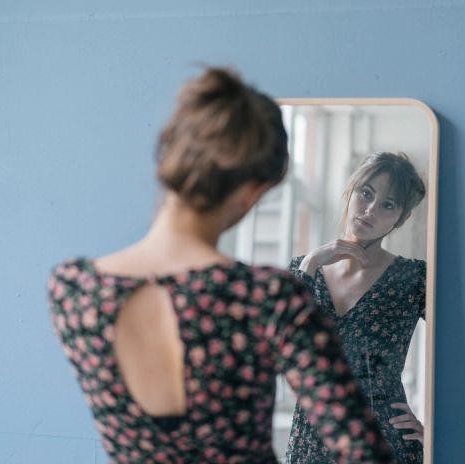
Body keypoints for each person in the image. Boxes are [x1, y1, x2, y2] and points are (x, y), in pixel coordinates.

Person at [46, 67, 393, 463]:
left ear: (167, 153)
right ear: (252, 192)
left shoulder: (73, 289)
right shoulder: (267, 297)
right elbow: (364, 453)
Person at [286, 152, 427, 464]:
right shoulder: (303, 270)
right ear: (349, 192)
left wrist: (437, 427)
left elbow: (464, 352)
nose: (371, 209)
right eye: (366, 193)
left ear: (400, 218)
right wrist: (310, 264)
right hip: (311, 442)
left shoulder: (414, 278)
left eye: (388, 204)